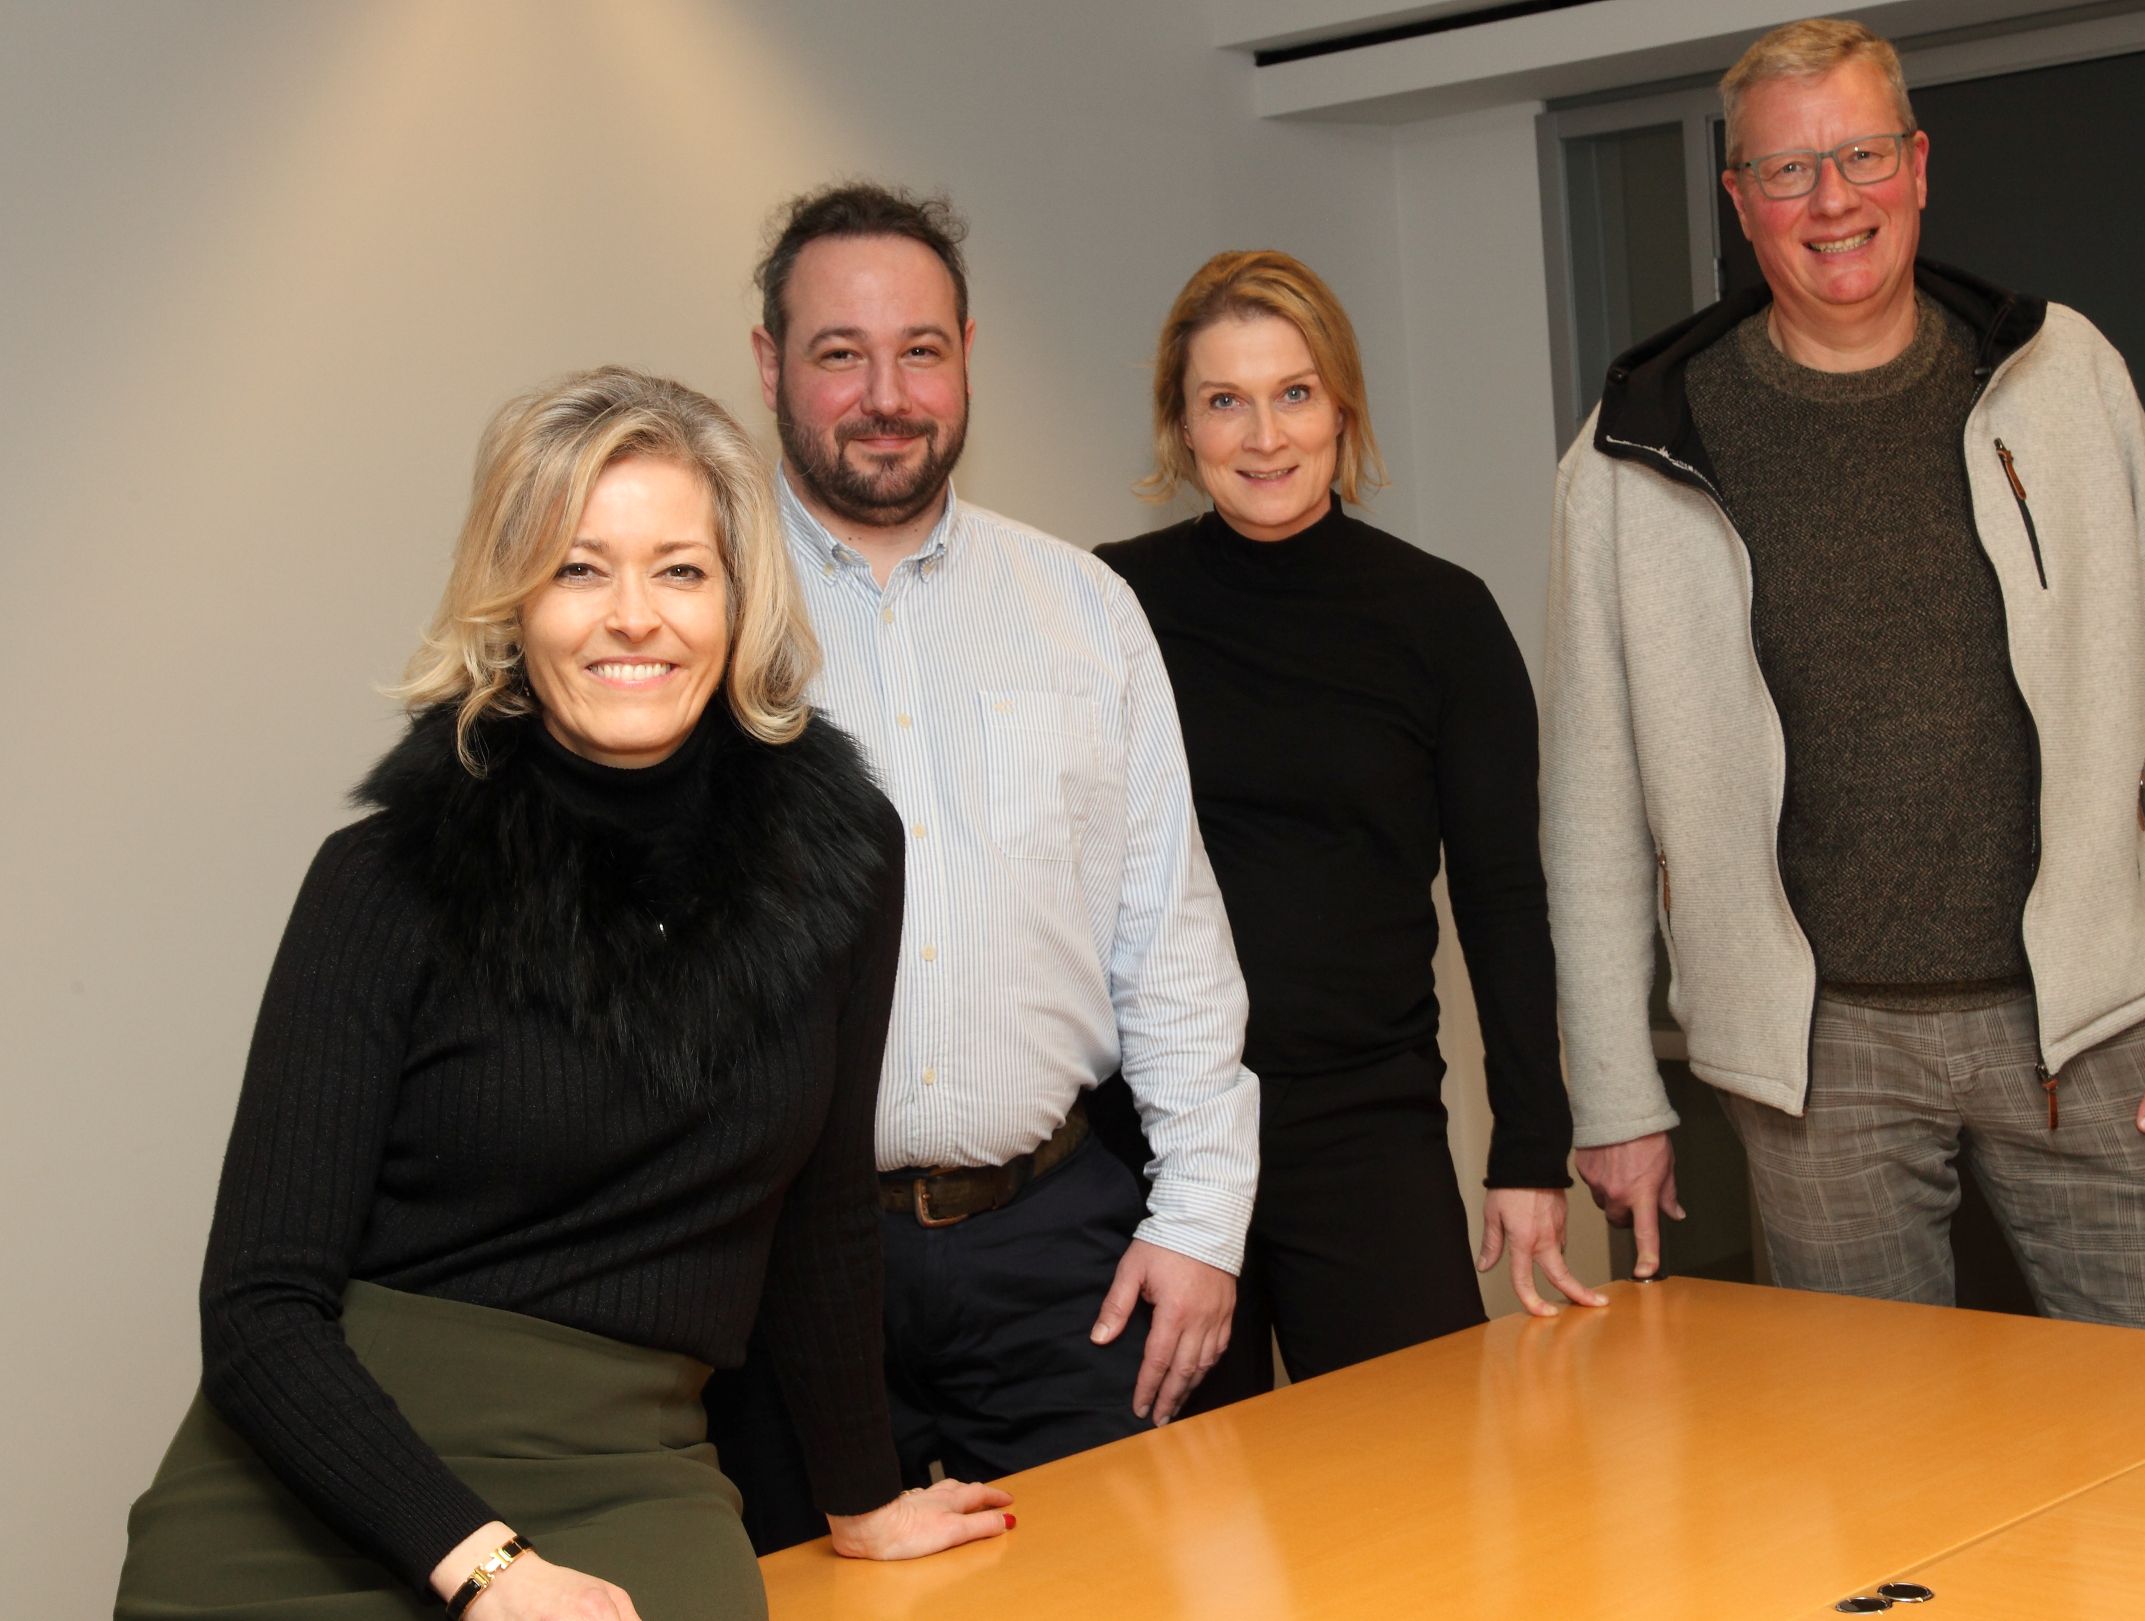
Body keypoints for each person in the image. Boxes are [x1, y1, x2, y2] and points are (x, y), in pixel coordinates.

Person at [114, 368, 1008, 1621]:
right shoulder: (382, 880)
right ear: (513, 605)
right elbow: (259, 1306)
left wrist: (860, 1494)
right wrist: (484, 1566)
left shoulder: (845, 854)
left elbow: (819, 1213)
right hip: (321, 1484)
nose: (633, 618)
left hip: (626, 1471)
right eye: (579, 570)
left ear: (739, 597)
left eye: (680, 570)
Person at [1542, 18, 2145, 1334]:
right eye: (1786, 170)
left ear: (1917, 166)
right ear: (1739, 202)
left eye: (1861, 155)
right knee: (1869, 1437)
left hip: (2090, 1023)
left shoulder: (2062, 375)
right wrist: (1612, 1092)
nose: (1831, 200)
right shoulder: (1637, 446)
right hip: (1818, 1063)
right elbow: (1590, 806)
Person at [709, 184, 1259, 1548]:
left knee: (1118, 1582)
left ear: (965, 354)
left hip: (1051, 1250)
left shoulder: (1082, 610)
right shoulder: (695, 610)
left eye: (920, 351)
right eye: (839, 353)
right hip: (775, 1266)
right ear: (770, 364)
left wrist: (1200, 1221)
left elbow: (1167, 936)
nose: (885, 396)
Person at [1094, 250, 1600, 1409]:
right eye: (1225, 400)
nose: (1264, 436)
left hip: (1363, 1128)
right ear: (1180, 424)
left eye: (1294, 393)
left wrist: (1530, 1148)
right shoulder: (1110, 606)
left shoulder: (1441, 617)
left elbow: (1503, 901)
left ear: (1342, 409)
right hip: (1154, 1137)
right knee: (1183, 1498)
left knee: (1417, 1479)